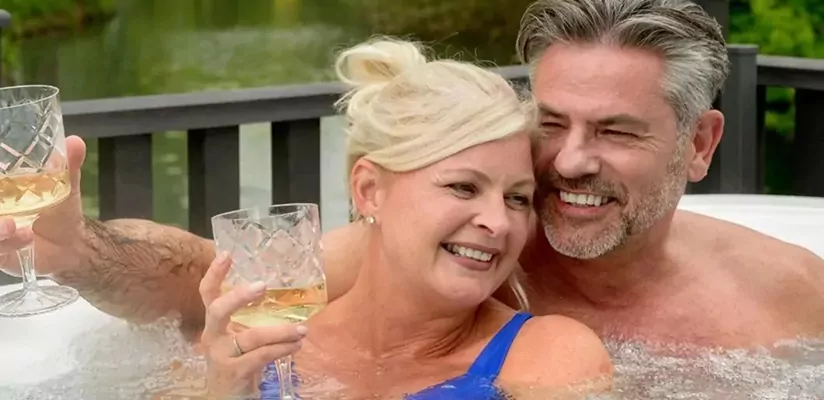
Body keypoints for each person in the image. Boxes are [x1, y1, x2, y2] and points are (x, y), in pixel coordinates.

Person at [0, 0, 822, 349]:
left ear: (702, 143)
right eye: (551, 123)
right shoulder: (451, 262)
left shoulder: (791, 298)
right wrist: (77, 249)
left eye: (615, 131)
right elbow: (193, 283)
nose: (570, 161)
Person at [197, 38, 612, 399]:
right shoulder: (251, 349)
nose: (498, 222)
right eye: (463, 187)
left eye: (517, 198)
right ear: (369, 191)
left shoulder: (549, 358)